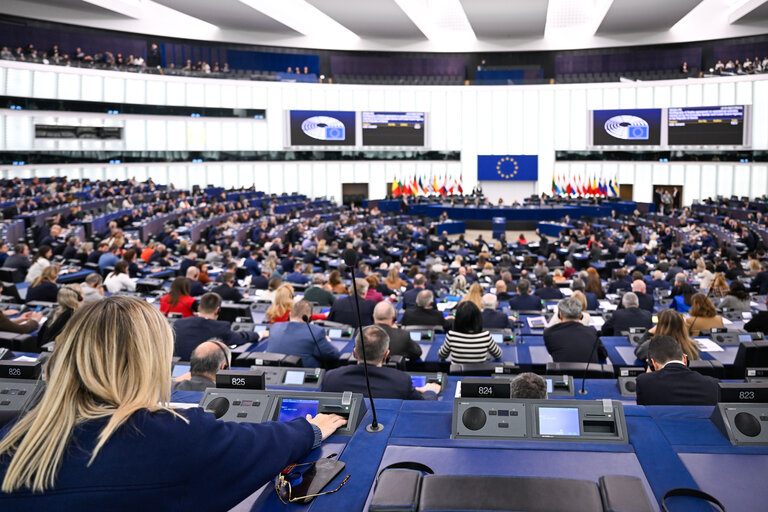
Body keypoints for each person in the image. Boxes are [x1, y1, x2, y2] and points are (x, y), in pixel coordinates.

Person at [0, 296, 346, 508]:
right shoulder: (173, 437)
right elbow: (263, 444)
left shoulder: (13, 437)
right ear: (148, 360)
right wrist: (310, 429)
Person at [322, 325, 440, 400]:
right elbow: (423, 404)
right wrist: (431, 391)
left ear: (355, 353)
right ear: (386, 355)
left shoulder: (330, 378)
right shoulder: (401, 381)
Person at [173, 292, 265, 360]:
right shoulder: (221, 328)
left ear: (199, 308)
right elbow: (240, 338)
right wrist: (260, 334)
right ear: (217, 310)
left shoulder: (179, 323)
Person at [635, 335, 718, 406]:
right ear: (685, 359)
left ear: (653, 363)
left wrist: (648, 376)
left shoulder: (644, 382)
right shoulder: (714, 384)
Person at [266, 301, 339, 368]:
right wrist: (328, 341)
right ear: (309, 317)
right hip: (306, 377)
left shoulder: (275, 327)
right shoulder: (316, 332)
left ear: (290, 314)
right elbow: (334, 355)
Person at [543, 297, 607, 363]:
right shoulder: (593, 333)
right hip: (590, 373)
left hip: (561, 372)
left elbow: (554, 353)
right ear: (580, 315)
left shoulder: (548, 333)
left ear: (560, 314)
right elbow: (603, 355)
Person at [438, 302, 502, 363]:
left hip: (457, 374)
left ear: (457, 319)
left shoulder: (451, 336)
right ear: (478, 318)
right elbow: (498, 354)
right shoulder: (486, 336)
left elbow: (441, 355)